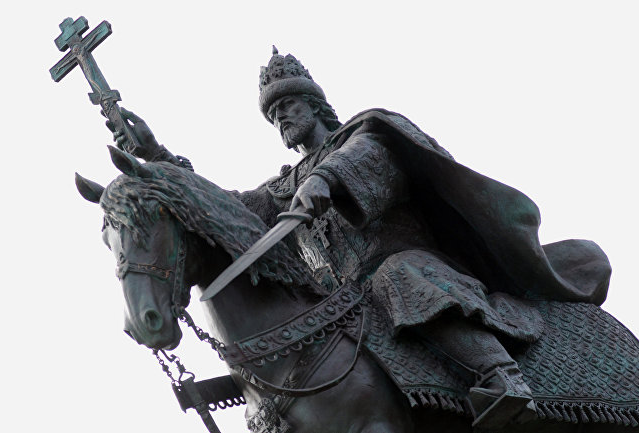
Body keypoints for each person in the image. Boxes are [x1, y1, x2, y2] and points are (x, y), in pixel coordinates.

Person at [108, 47, 612, 429]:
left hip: (406, 263)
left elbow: (369, 158)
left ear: (314, 105)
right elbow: (227, 211)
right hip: (343, 299)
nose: (281, 118)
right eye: (273, 115)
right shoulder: (282, 188)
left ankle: (499, 377)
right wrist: (159, 158)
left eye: (288, 106)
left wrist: (325, 179)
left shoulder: (366, 133)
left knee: (399, 275)